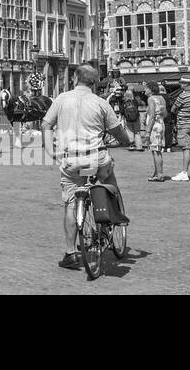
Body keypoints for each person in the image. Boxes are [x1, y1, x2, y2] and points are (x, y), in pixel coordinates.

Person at [41, 64, 132, 271]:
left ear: (75, 79)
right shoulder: (100, 103)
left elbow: (46, 125)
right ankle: (113, 217)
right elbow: (117, 131)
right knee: (110, 182)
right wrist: (127, 141)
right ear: (94, 82)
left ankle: (70, 253)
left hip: (71, 159)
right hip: (96, 156)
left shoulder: (62, 99)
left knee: (71, 204)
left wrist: (49, 150)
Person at [144, 83, 169, 182]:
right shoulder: (162, 98)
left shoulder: (151, 99)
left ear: (150, 89)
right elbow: (165, 113)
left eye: (146, 89)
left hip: (154, 126)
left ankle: (159, 174)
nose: (145, 91)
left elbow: (152, 116)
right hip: (161, 124)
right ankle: (156, 173)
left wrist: (147, 131)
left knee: (155, 151)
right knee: (156, 150)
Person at [120, 86, 142, 151]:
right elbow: (137, 108)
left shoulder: (123, 102)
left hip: (128, 119)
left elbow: (122, 111)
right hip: (136, 119)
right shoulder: (135, 101)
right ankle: (139, 146)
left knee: (130, 132)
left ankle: (131, 145)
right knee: (137, 132)